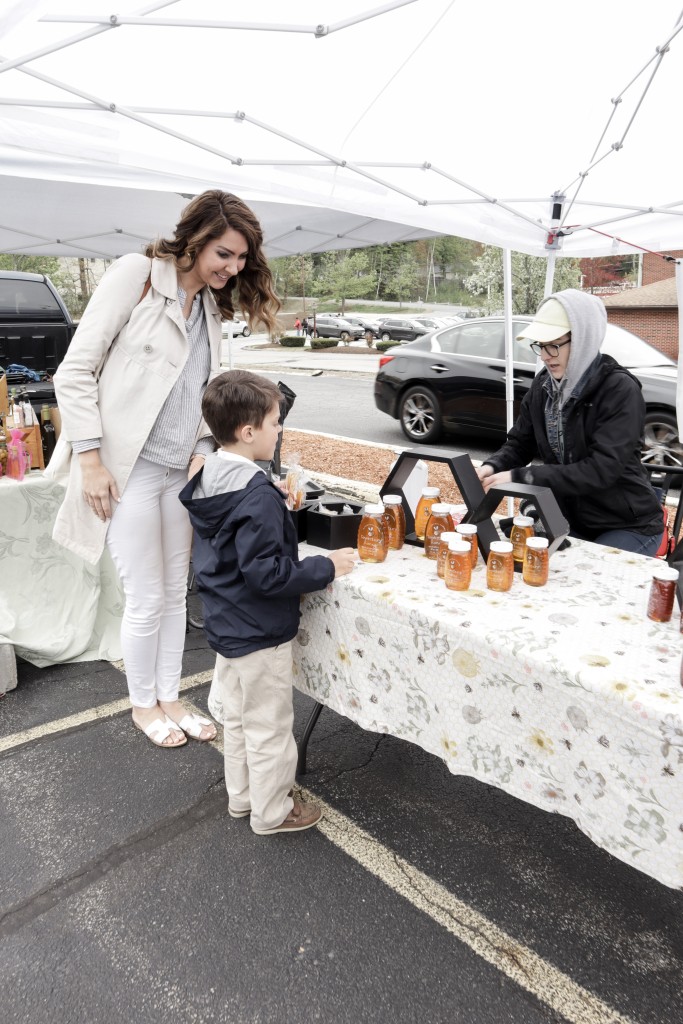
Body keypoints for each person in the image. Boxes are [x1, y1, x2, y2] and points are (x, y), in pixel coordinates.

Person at [47, 191, 281, 748]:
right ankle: (142, 705)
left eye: (241, 259)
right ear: (197, 238)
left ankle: (172, 697)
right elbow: (74, 372)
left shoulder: (208, 308)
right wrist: (91, 460)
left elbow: (202, 392)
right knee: (146, 595)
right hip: (128, 470)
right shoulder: (137, 276)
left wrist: (204, 442)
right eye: (224, 253)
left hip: (182, 472)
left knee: (177, 591)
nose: (233, 267)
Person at [179, 369, 355, 834]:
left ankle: (243, 798)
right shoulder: (255, 494)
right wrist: (328, 567)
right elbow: (267, 573)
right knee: (271, 728)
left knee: (238, 718)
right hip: (259, 630)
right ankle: (274, 812)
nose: (280, 431)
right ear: (249, 431)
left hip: (226, 622)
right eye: (277, 423)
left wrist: (271, 505)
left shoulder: (213, 474)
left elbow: (236, 547)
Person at [476, 288, 664, 555]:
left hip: (627, 523)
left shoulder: (619, 390)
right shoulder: (543, 387)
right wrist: (493, 465)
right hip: (570, 517)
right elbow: (520, 444)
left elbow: (602, 469)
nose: (544, 356)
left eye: (553, 345)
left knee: (595, 580)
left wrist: (523, 476)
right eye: (541, 346)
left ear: (583, 339)